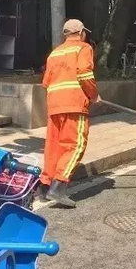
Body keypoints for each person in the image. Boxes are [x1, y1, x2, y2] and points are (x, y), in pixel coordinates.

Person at [38, 19, 100, 208]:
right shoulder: (83, 48)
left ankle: (44, 186)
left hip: (54, 105)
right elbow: (84, 73)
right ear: (81, 33)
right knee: (75, 145)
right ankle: (58, 186)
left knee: (54, 147)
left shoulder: (55, 53)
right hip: (73, 103)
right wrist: (94, 95)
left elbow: (46, 82)